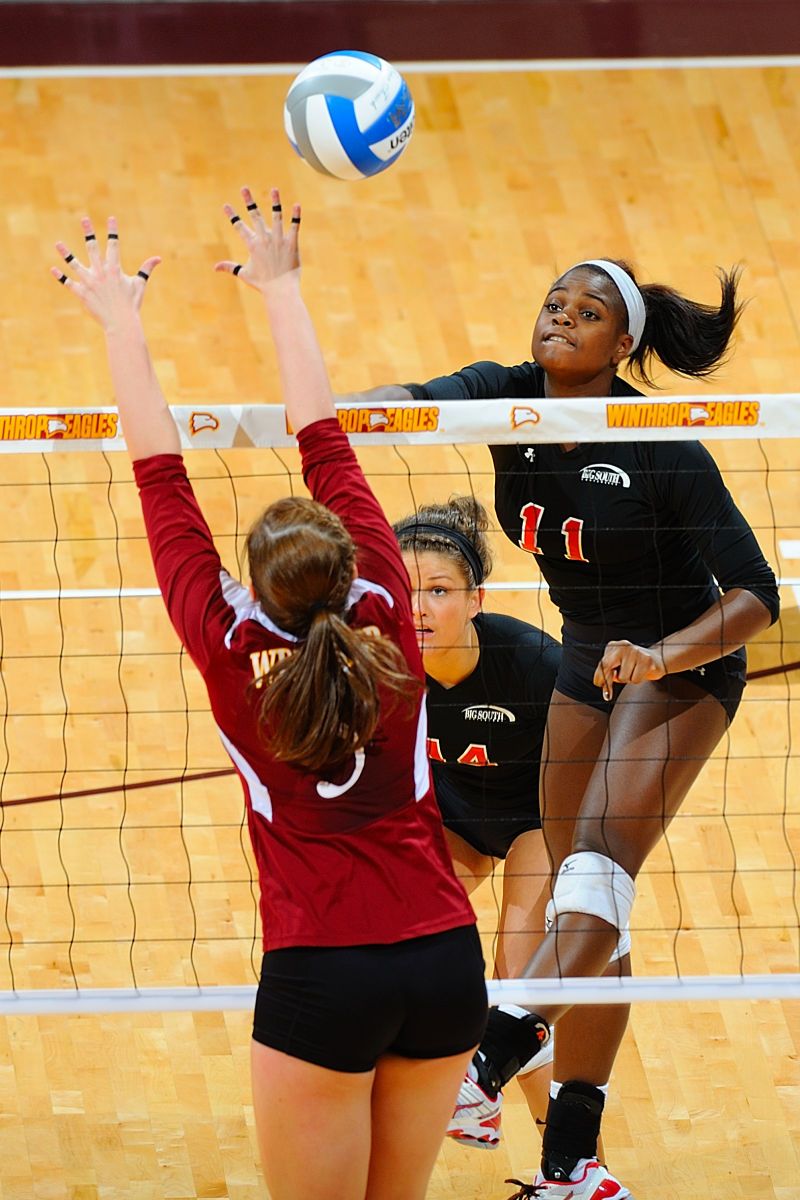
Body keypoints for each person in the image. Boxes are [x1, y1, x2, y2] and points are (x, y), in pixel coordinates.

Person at [51, 190, 488, 1200]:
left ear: (253, 582)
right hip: (440, 962)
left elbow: (161, 476)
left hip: (320, 974)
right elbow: (324, 438)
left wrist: (123, 322)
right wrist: (282, 288)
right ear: (350, 569)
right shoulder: (388, 614)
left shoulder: (222, 639)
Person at [345, 258, 781, 1199]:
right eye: (552, 304)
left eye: (587, 314)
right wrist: (347, 410)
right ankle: (574, 1161)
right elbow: (416, 400)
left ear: (621, 345)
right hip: (588, 658)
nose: (560, 320)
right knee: (589, 904)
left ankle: (485, 1064)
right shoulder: (508, 395)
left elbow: (759, 597)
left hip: (681, 664)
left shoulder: (664, 446)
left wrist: (663, 656)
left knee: (595, 874)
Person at [394, 498, 561, 1145]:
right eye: (405, 591)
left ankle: (569, 1161)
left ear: (476, 599)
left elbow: (601, 765)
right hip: (454, 816)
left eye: (438, 591)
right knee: (394, 945)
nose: (419, 608)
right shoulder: (384, 667)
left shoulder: (531, 665)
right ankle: (469, 1095)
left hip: (535, 820)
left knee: (519, 976)